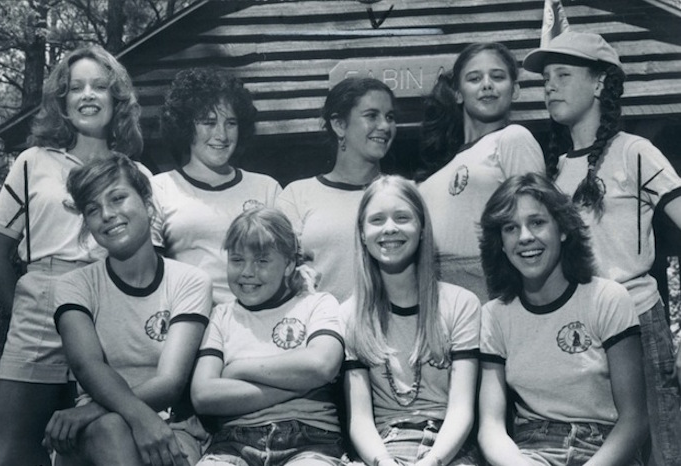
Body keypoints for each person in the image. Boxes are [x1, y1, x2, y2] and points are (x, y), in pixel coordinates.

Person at [522, 31, 681, 464]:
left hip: (636, 322)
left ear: (599, 84)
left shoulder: (635, 152)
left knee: (662, 449)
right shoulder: (550, 170)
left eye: (562, 74)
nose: (549, 86)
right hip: (576, 330)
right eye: (545, 79)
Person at [0, 45, 144, 466]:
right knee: (8, 455)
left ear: (116, 99)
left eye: (100, 87)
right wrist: (23, 308)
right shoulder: (32, 162)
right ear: (63, 101)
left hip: (109, 310)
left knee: (93, 446)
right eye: (76, 88)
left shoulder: (135, 174)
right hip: (41, 309)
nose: (88, 95)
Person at [44, 153, 212, 466]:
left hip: (170, 426)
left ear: (148, 206)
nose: (106, 214)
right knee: (111, 428)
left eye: (118, 198)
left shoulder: (189, 281)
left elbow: (171, 381)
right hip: (92, 435)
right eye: (93, 209)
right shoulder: (75, 285)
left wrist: (135, 418)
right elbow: (86, 365)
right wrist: (139, 418)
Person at [478, 172, 647, 465]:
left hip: (604, 449)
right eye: (510, 228)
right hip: (531, 449)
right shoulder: (495, 315)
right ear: (501, 244)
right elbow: (490, 428)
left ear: (563, 230)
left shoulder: (606, 299)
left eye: (537, 222)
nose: (525, 237)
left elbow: (635, 420)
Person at [342, 175, 481, 466]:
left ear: (422, 228)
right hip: (383, 447)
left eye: (402, 217)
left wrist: (433, 461)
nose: (390, 228)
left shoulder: (460, 304)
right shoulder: (349, 315)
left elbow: (461, 409)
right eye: (377, 220)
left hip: (450, 450)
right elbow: (360, 420)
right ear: (362, 233)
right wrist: (382, 462)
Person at [191, 207, 346, 466]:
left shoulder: (317, 304)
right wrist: (302, 383)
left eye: (262, 261)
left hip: (311, 438)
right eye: (237, 260)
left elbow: (321, 365)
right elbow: (204, 395)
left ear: (288, 264)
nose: (247, 272)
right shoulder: (222, 316)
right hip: (233, 443)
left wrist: (237, 369)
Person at [417, 42, 545, 303]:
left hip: (489, 287)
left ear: (515, 89)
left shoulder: (513, 139)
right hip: (435, 291)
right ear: (458, 93)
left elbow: (536, 228)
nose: (487, 84)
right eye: (474, 78)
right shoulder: (439, 171)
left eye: (497, 77)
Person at [153, 67, 281, 305]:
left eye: (230, 123)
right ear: (185, 126)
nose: (221, 135)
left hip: (259, 319)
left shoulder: (266, 187)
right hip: (190, 319)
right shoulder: (159, 188)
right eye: (208, 122)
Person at [276, 77, 397, 303]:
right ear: (339, 124)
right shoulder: (297, 195)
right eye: (372, 116)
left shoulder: (403, 194)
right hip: (322, 330)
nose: (384, 126)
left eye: (390, 117)